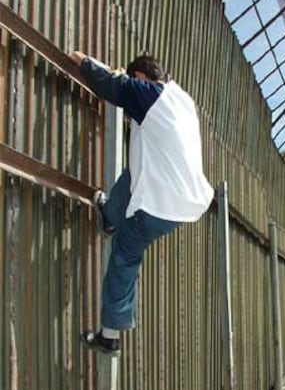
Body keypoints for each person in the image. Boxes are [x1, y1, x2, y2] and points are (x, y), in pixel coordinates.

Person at [70, 51, 214, 355]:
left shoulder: (149, 95)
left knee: (124, 255)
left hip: (158, 206)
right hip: (183, 202)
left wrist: (83, 61)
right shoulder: (181, 100)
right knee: (135, 169)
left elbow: (109, 84)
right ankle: (109, 215)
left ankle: (109, 336)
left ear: (141, 79)